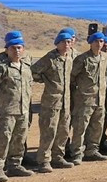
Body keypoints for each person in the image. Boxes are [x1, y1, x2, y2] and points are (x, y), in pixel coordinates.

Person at [0, 32, 34, 181]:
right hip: (6, 111)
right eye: (13, 48)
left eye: (19, 47)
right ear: (7, 50)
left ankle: (14, 166)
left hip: (23, 110)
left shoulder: (26, 67)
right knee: (2, 139)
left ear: (23, 49)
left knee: (19, 139)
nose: (16, 50)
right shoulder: (1, 67)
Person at [31, 30, 75, 171]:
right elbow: (33, 71)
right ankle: (44, 160)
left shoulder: (69, 58)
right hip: (51, 102)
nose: (67, 44)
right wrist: (45, 80)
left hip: (65, 102)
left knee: (63, 131)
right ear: (57, 43)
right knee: (49, 132)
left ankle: (58, 157)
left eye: (69, 42)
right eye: (64, 42)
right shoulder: (49, 58)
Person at [70, 32, 107, 164]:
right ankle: (77, 153)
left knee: (97, 126)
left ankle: (92, 150)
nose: (99, 44)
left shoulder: (105, 58)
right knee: (80, 128)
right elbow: (72, 76)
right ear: (91, 43)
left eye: (101, 41)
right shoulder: (82, 59)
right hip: (85, 100)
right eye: (96, 41)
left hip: (100, 99)